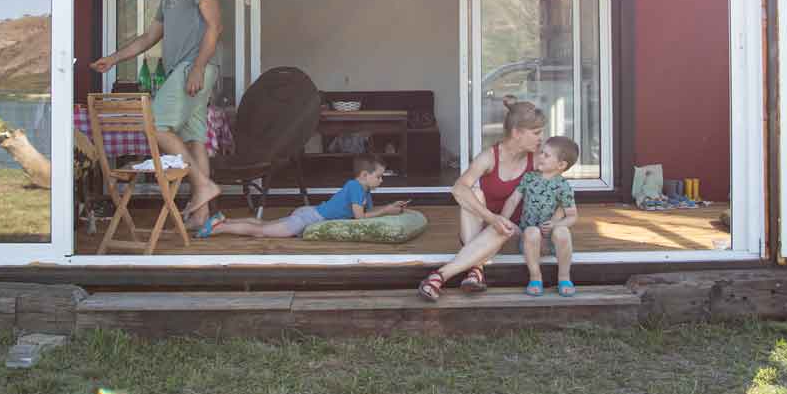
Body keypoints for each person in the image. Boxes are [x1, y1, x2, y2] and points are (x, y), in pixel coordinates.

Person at [90, 0, 223, 230]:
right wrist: (113, 58)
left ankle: (203, 185)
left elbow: (216, 25)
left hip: (193, 67)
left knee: (155, 125)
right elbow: (151, 36)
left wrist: (199, 68)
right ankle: (204, 217)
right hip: (185, 69)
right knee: (194, 139)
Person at [417, 100, 545, 301]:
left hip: (514, 231)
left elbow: (560, 173)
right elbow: (458, 188)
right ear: (517, 133)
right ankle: (475, 269)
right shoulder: (490, 156)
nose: (541, 138)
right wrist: (491, 218)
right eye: (536, 133)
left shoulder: (538, 158)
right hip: (483, 229)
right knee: (473, 193)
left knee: (504, 225)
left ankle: (440, 275)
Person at [199, 154, 408, 239]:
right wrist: (386, 211)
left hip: (310, 213)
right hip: (308, 219)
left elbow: (365, 212)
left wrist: (389, 206)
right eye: (379, 176)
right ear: (364, 175)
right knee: (261, 231)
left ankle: (223, 220)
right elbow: (360, 218)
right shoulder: (355, 187)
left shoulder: (364, 191)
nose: (381, 180)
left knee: (263, 224)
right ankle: (219, 228)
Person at [500, 136, 579, 297]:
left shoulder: (563, 186)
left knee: (563, 232)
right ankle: (535, 277)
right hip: (528, 239)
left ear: (561, 165)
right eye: (541, 152)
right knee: (531, 231)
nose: (540, 156)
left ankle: (564, 277)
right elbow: (514, 199)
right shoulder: (529, 178)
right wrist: (501, 220)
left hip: (551, 242)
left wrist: (556, 225)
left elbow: (572, 216)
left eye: (546, 155)